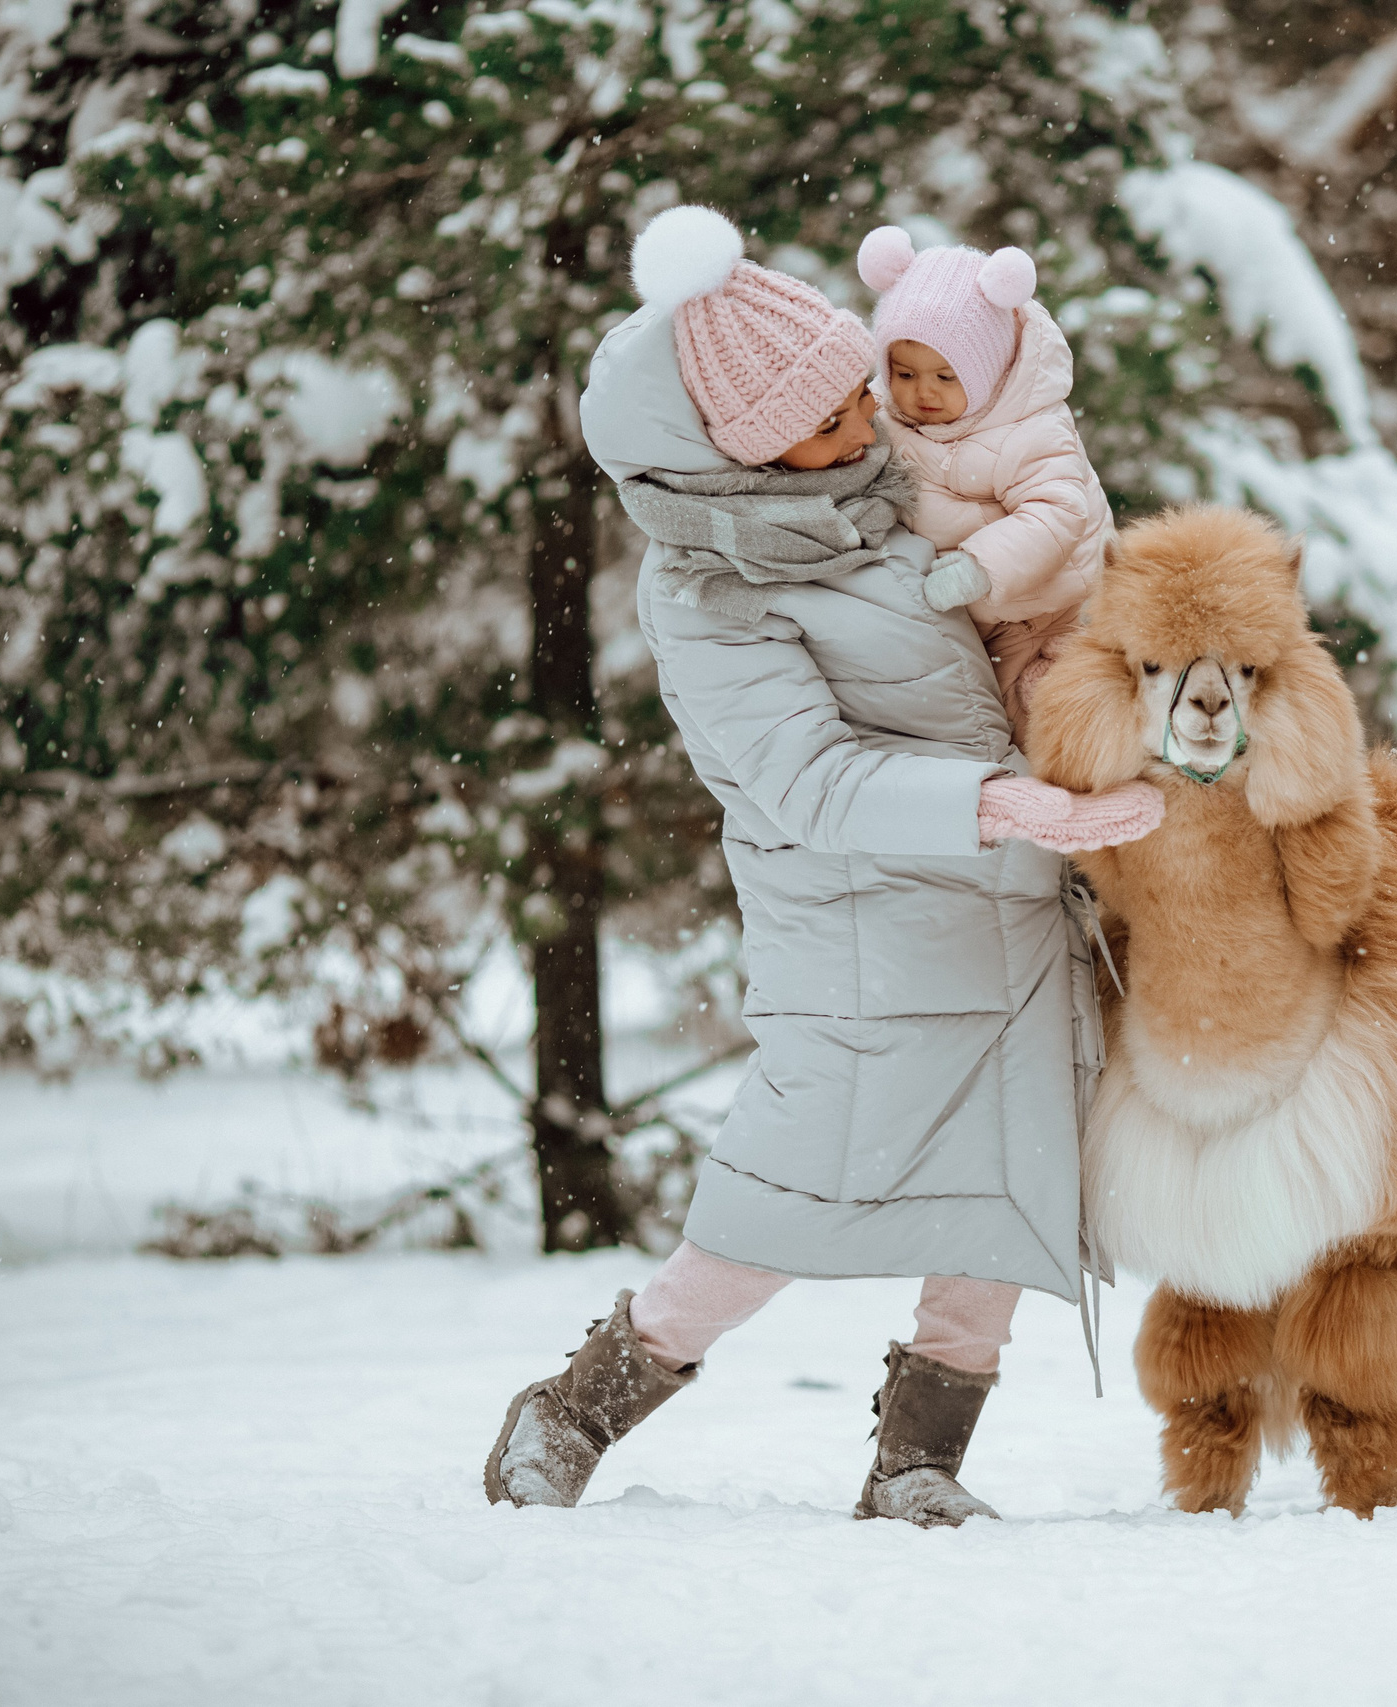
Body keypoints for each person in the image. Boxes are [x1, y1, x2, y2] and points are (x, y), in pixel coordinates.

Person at [481, 205, 1160, 1528]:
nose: (863, 428)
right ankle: (572, 1406)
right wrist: (1001, 802)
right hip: (864, 930)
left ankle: (918, 1461)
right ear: (726, 451)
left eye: (860, 396)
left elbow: (1022, 573)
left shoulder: (887, 498)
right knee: (788, 1191)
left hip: (1008, 904)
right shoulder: (709, 591)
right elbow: (805, 780)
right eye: (823, 421)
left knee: (1001, 1190)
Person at [856, 225, 1112, 746]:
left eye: (945, 377)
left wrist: (979, 567)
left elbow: (1057, 511)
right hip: (970, 622)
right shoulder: (885, 416)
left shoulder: (1032, 426)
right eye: (903, 374)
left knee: (1050, 716)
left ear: (990, 369)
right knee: (954, 721)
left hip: (1049, 612)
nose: (921, 392)